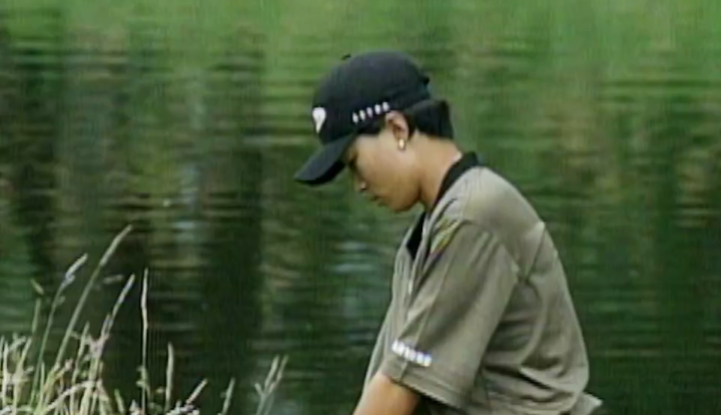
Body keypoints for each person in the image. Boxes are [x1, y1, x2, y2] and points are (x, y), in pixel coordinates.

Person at [293, 50, 603, 415]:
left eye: (354, 163)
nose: (358, 184)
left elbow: (399, 388)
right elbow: (387, 381)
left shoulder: (473, 216)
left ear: (398, 129)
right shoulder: (431, 231)